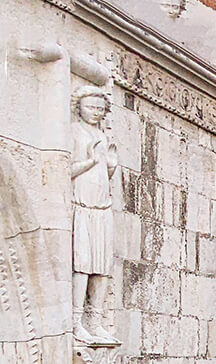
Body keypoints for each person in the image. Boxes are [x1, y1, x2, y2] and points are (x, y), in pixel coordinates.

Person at [71, 85, 120, 348]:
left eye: (100, 109)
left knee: (102, 268)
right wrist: (90, 160)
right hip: (82, 206)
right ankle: (76, 321)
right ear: (79, 106)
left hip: (102, 207)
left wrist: (110, 165)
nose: (95, 113)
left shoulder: (101, 133)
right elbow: (65, 169)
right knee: (83, 264)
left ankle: (95, 321)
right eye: (91, 107)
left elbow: (104, 175)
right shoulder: (72, 131)